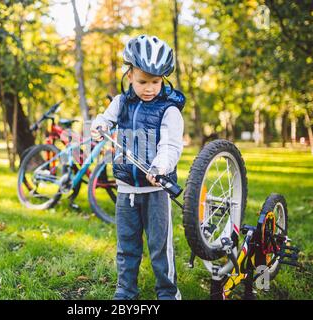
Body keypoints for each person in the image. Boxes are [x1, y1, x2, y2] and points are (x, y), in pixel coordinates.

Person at [90, 35, 185, 300]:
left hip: (155, 192)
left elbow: (171, 147)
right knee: (127, 246)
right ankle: (125, 291)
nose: (149, 88)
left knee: (159, 247)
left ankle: (167, 292)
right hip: (125, 190)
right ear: (129, 74)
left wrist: (159, 167)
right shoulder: (121, 102)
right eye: (143, 81)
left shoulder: (169, 110)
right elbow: (104, 119)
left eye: (156, 82)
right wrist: (99, 127)